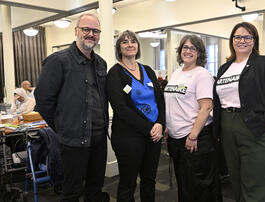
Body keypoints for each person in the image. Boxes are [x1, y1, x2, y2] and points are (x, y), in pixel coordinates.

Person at [34, 14, 109, 202]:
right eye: (86, 29)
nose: (91, 34)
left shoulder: (101, 63)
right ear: (76, 31)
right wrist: (63, 127)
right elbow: (43, 101)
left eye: (95, 31)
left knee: (95, 188)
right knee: (72, 193)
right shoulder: (58, 61)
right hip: (74, 142)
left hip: (99, 139)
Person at [213, 22, 265, 202]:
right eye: (238, 37)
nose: (242, 40)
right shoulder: (224, 68)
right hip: (228, 127)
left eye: (247, 37)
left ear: (254, 41)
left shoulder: (264, 63)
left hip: (256, 128)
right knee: (236, 181)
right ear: (232, 40)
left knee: (255, 185)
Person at [106, 30, 165, 202]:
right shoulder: (115, 73)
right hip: (128, 137)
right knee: (128, 183)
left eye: (133, 41)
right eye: (124, 42)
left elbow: (160, 100)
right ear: (119, 48)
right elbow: (120, 108)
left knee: (149, 180)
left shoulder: (147, 70)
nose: (130, 44)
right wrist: (150, 128)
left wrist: (160, 124)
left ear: (137, 46)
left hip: (154, 134)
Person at [164, 35, 220, 202]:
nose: (188, 51)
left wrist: (193, 135)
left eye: (192, 48)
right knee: (185, 186)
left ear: (199, 53)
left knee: (198, 188)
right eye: (185, 48)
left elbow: (206, 107)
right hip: (176, 139)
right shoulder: (176, 73)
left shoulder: (202, 74)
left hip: (195, 138)